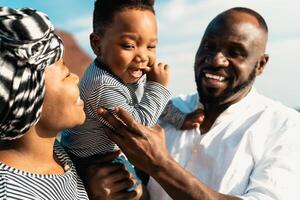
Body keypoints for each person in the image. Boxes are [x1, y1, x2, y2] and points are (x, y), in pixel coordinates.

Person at [96, 7, 300, 200]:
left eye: (235, 52)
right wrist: (123, 188)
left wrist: (159, 164)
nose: (216, 60)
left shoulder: (285, 127)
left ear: (260, 64)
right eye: (209, 46)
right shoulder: (164, 110)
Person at [60, 0, 204, 192]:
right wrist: (158, 86)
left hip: (110, 154)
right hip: (89, 164)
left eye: (151, 46)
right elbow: (138, 127)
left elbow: (149, 100)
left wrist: (180, 119)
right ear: (97, 44)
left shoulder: (125, 70)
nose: (143, 56)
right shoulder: (102, 85)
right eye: (129, 46)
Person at [0, 7, 140, 200]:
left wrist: (88, 186)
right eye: (65, 73)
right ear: (27, 94)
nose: (75, 77)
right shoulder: (11, 193)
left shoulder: (56, 153)